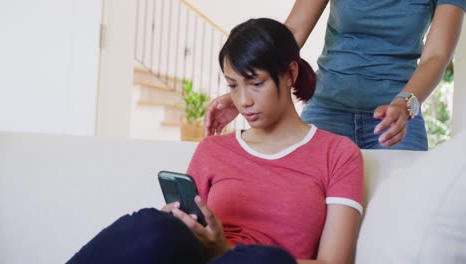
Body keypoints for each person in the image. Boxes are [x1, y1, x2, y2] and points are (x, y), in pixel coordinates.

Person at [67, 18, 363, 264]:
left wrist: (226, 251)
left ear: (290, 74)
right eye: (233, 85)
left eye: (256, 83)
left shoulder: (338, 154)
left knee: (266, 260)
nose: (243, 100)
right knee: (153, 222)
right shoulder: (213, 149)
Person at [205, 0, 465, 151]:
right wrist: (244, 90)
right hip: (328, 109)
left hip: (396, 119)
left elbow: (437, 55)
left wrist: (405, 102)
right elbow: (292, 33)